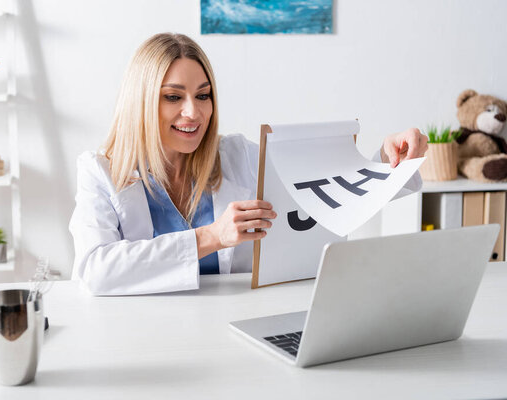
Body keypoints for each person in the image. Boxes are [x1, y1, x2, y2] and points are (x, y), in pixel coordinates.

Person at [69, 33, 428, 295]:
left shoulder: (236, 156)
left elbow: (329, 192)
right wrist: (211, 237)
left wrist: (387, 163)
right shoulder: (100, 172)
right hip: (137, 336)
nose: (194, 112)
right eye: (173, 97)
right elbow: (96, 270)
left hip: (228, 329)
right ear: (141, 101)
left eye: (203, 95)